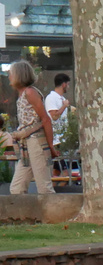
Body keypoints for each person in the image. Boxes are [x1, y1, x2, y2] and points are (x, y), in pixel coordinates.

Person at [6, 60, 57, 195]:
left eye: (11, 73)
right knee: (17, 188)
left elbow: (45, 119)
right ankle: (23, 216)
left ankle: (52, 214)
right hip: (26, 143)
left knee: (44, 188)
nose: (9, 76)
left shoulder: (30, 92)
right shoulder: (22, 94)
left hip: (36, 141)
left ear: (19, 75)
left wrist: (50, 146)